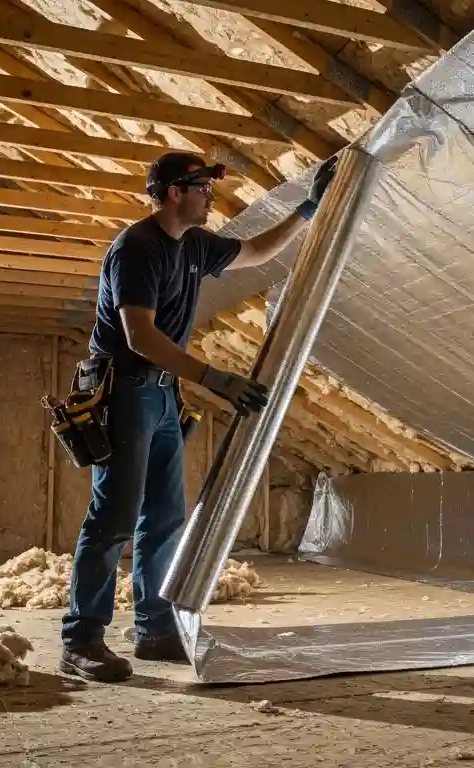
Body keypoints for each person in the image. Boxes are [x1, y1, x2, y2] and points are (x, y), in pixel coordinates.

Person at [60, 150, 340, 682]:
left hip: (163, 396)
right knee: (114, 519)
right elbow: (140, 336)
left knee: (164, 518)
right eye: (203, 190)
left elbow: (257, 251)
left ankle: (155, 630)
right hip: (125, 393)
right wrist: (214, 378)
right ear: (174, 193)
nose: (211, 199)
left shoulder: (193, 245)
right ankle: (81, 641)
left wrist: (309, 207)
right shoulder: (136, 249)